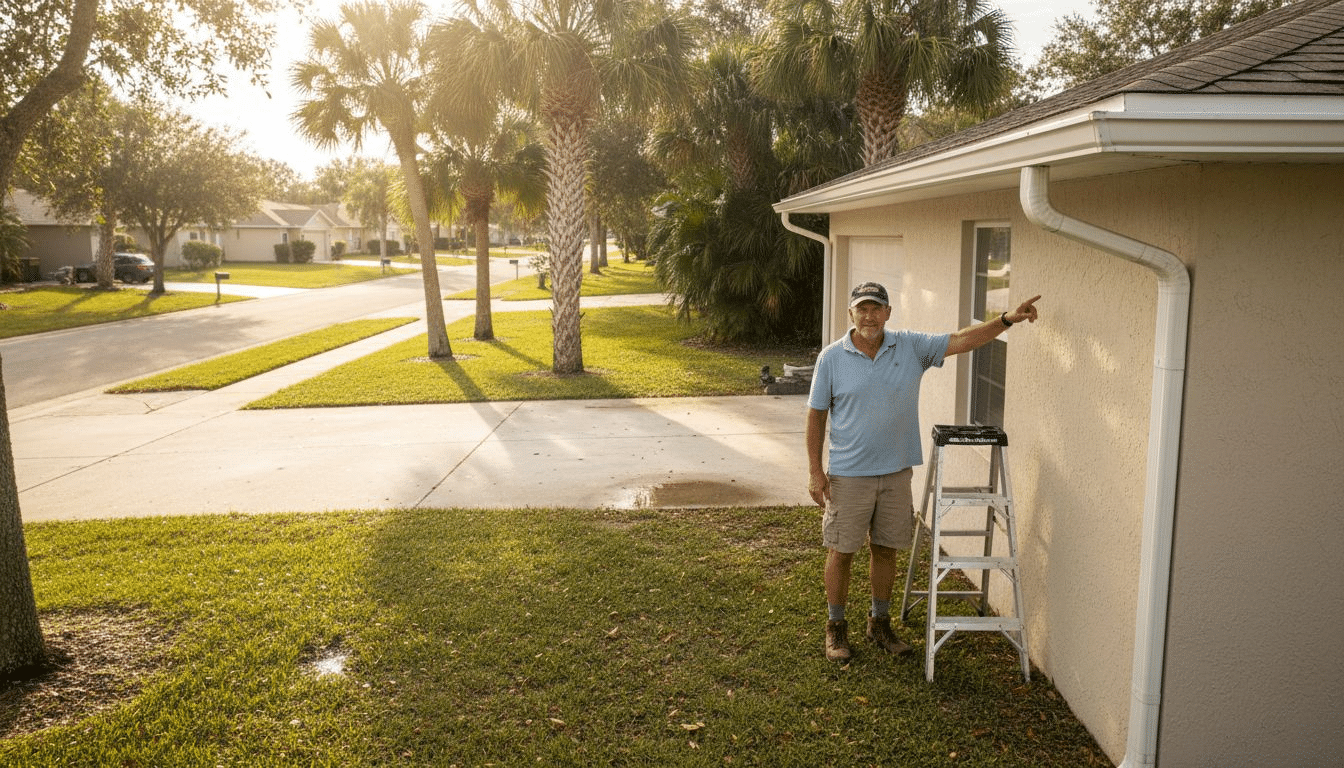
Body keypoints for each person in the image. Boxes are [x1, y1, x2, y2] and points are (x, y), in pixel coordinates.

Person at [806, 281, 1041, 662]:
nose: (869, 316)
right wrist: (816, 472)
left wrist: (1006, 319)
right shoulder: (831, 358)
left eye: (876, 308)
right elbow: (815, 416)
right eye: (861, 309)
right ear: (851, 313)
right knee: (842, 551)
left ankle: (879, 623)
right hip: (848, 476)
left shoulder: (911, 347)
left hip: (897, 474)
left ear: (887, 313)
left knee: (884, 550)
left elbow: (962, 340)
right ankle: (836, 628)